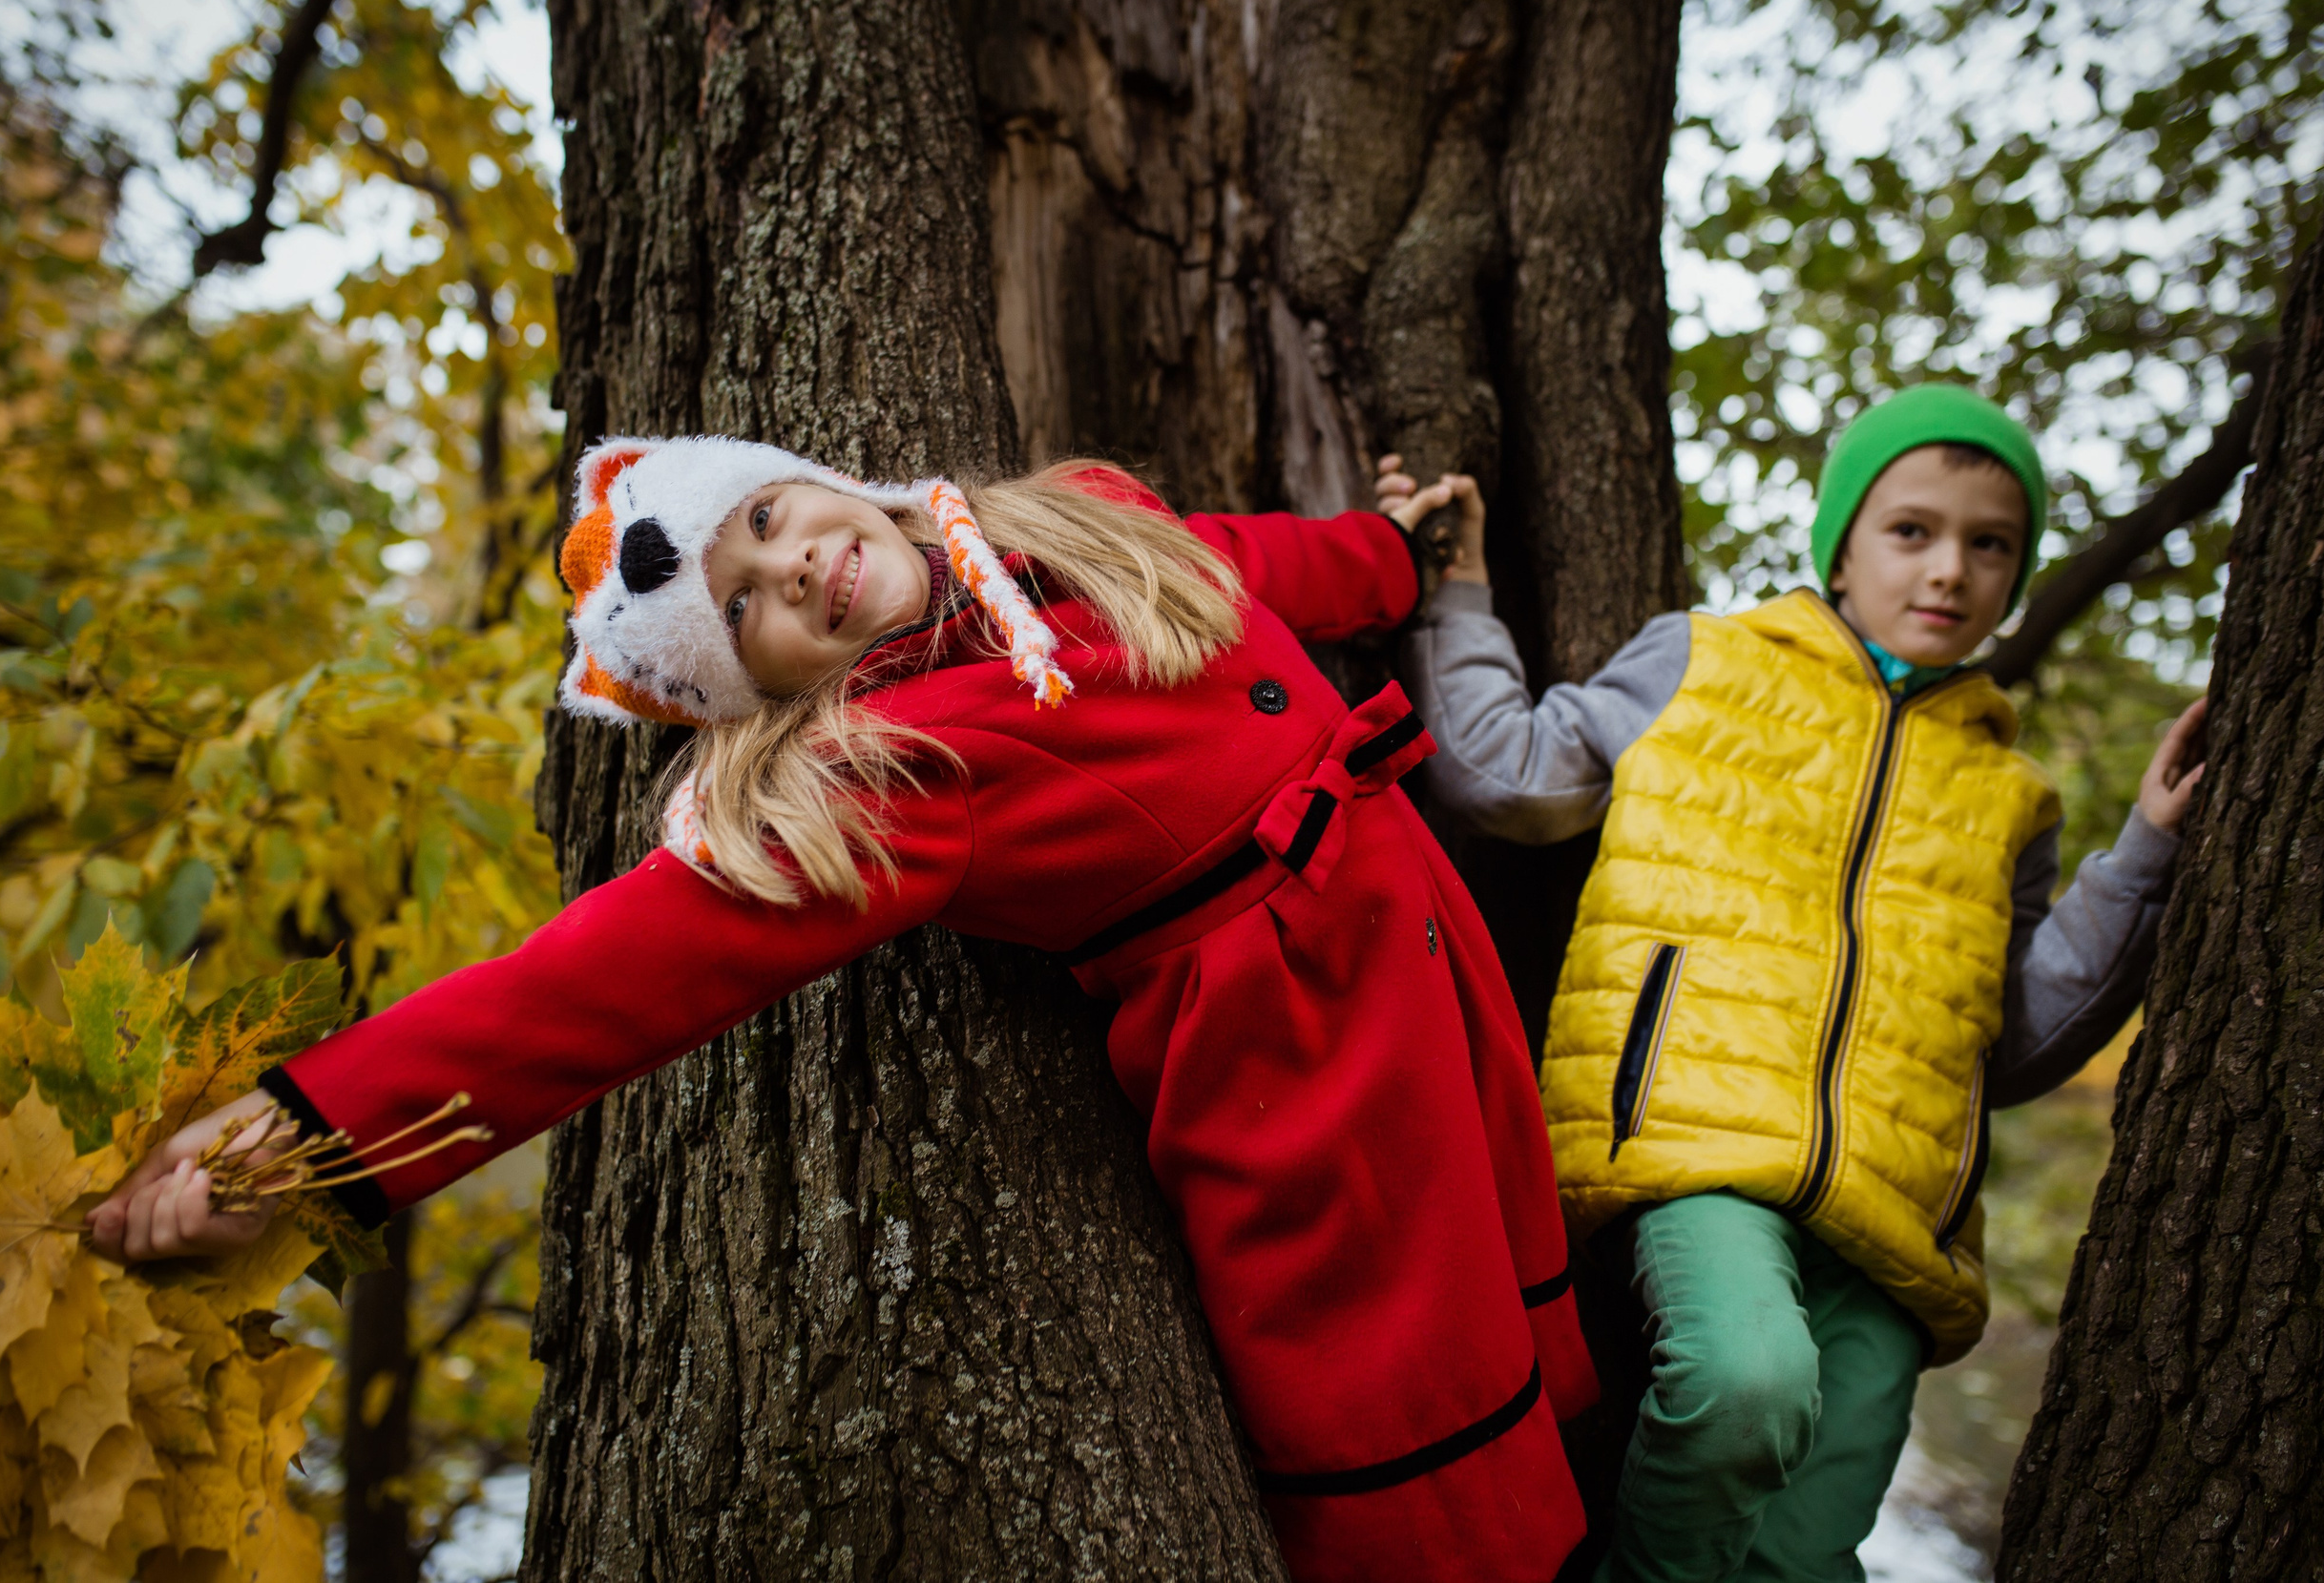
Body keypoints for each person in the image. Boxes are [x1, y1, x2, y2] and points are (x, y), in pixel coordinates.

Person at [90, 436, 1598, 1583]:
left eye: (764, 520)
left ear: (806, 480)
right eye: (745, 611)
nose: (794, 565)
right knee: (1414, 1400)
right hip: (1300, 1067)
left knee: (1532, 1301)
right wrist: (305, 1137)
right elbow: (587, 988)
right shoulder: (890, 771)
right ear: (763, 691)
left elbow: (1250, 563)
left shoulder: (1070, 509)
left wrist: (1395, 559)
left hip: (1421, 944)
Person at [1378, 385, 2205, 1583]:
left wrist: (2143, 853)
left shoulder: (2009, 787)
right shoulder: (1704, 659)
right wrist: (1457, 595)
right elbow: (1507, 775)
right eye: (1910, 530)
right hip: (1694, 1150)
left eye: (1991, 546)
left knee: (1811, 1553)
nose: (1949, 571)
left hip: (1893, 1214)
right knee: (1745, 1388)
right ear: (1841, 540)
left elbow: (2012, 1037)